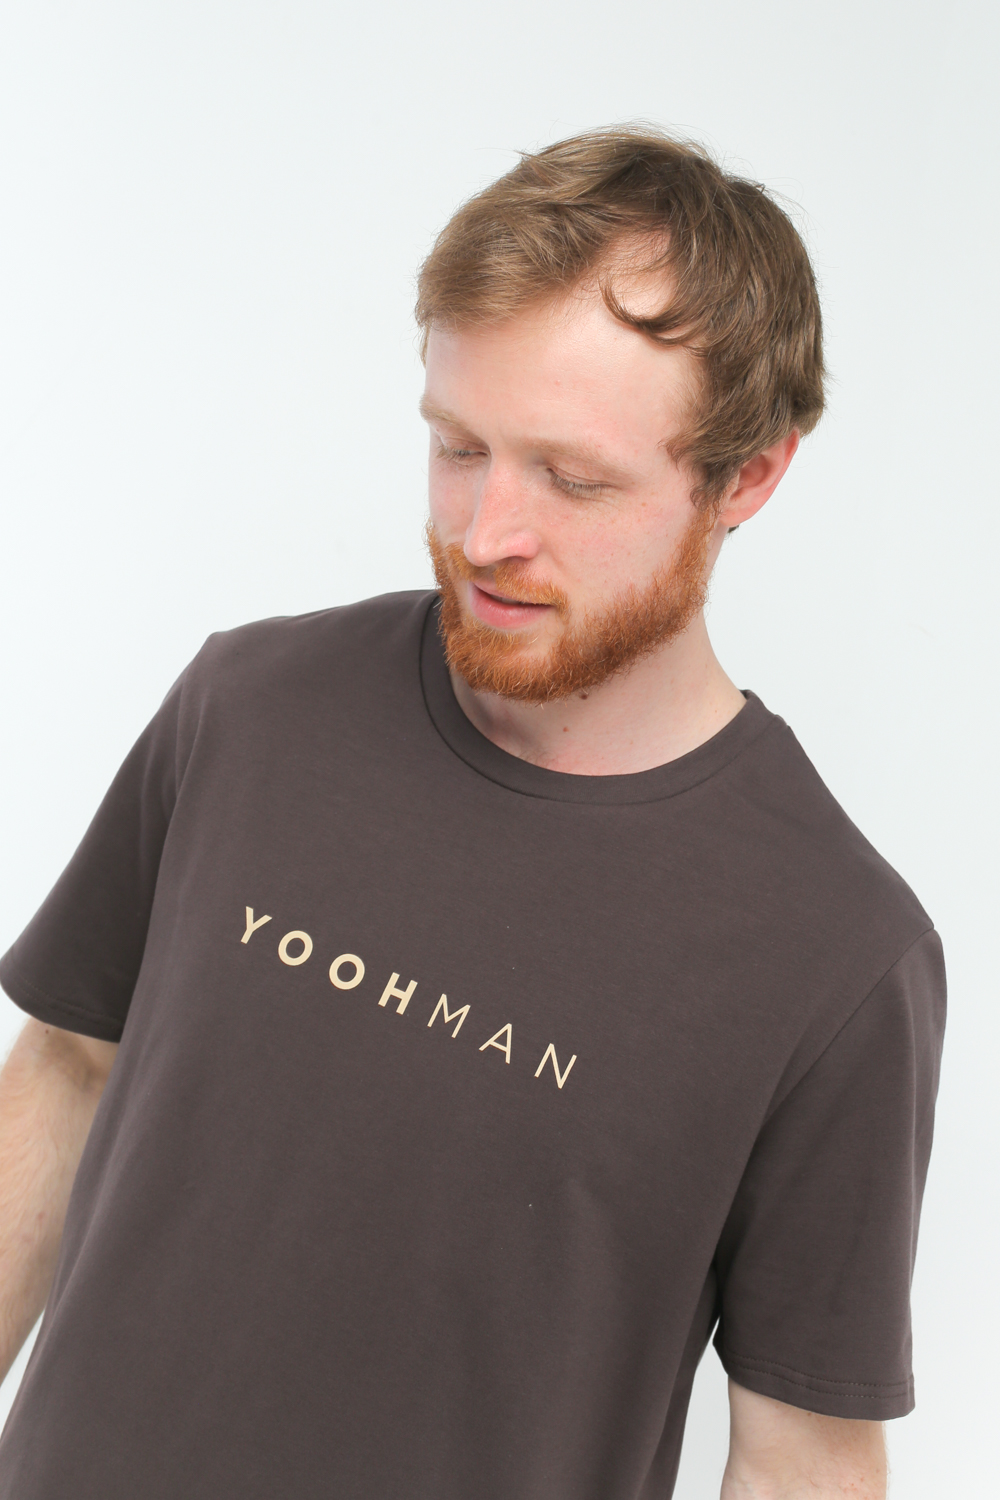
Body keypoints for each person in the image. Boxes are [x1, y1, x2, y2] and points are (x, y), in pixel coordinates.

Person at [0, 126, 945, 1500]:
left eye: (573, 478)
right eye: (458, 447)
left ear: (748, 476)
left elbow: (802, 1457)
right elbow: (67, 1072)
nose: (486, 532)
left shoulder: (837, 954)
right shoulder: (248, 708)